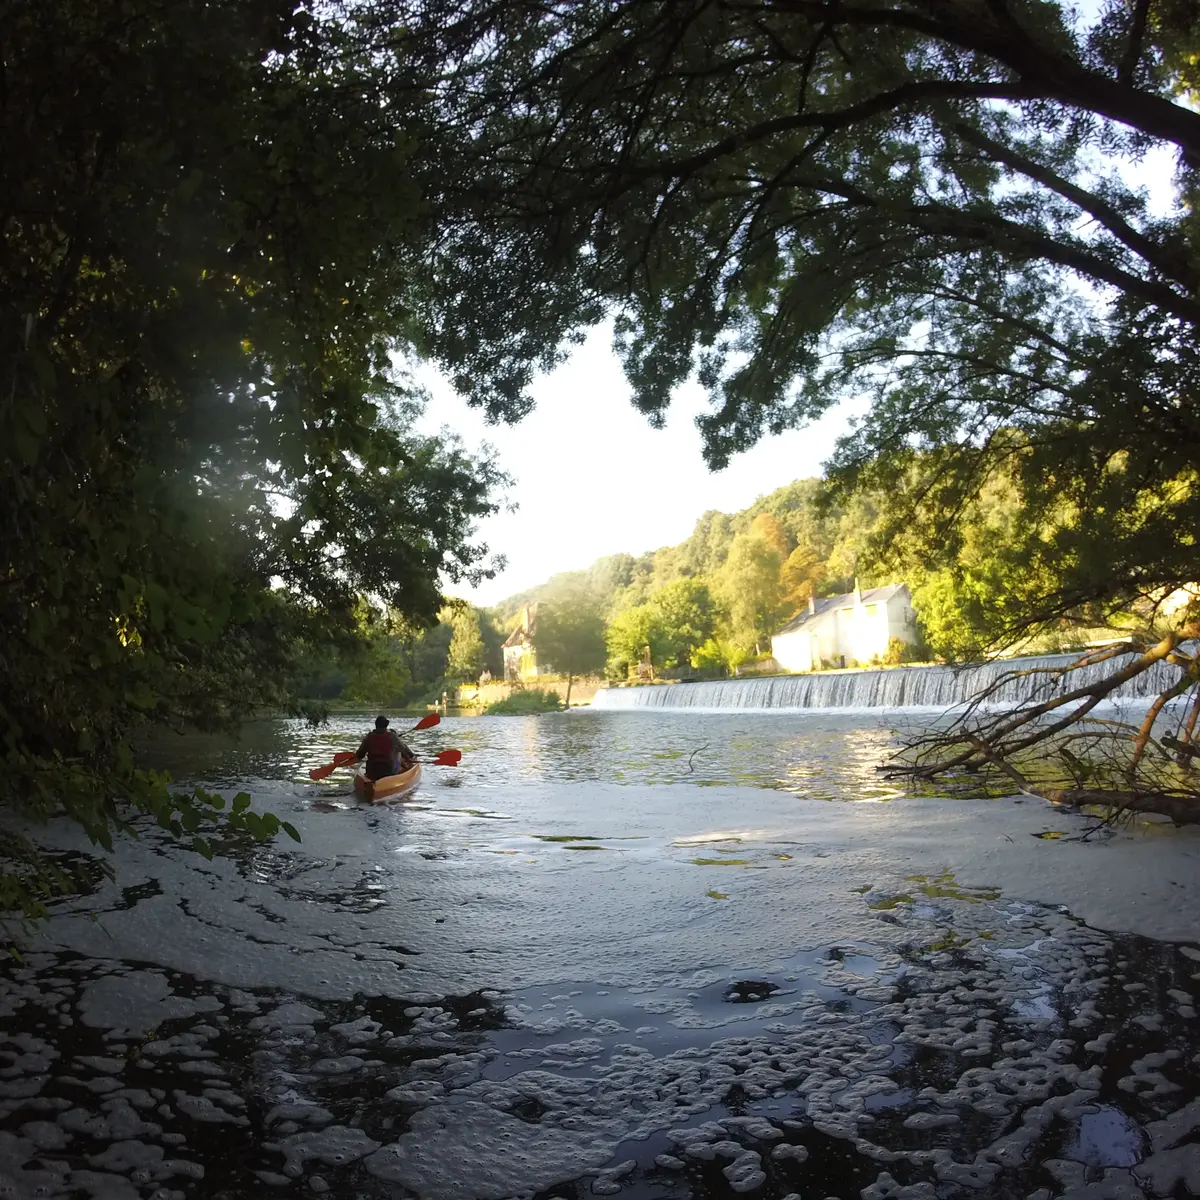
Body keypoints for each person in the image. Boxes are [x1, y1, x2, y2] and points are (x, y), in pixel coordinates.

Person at [355, 716, 415, 781]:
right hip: (389, 771)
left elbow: (359, 755)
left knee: (396, 749)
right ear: (386, 725)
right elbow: (404, 750)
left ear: (376, 725)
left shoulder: (368, 737)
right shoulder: (392, 736)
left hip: (372, 771)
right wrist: (409, 757)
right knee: (398, 752)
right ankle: (405, 766)